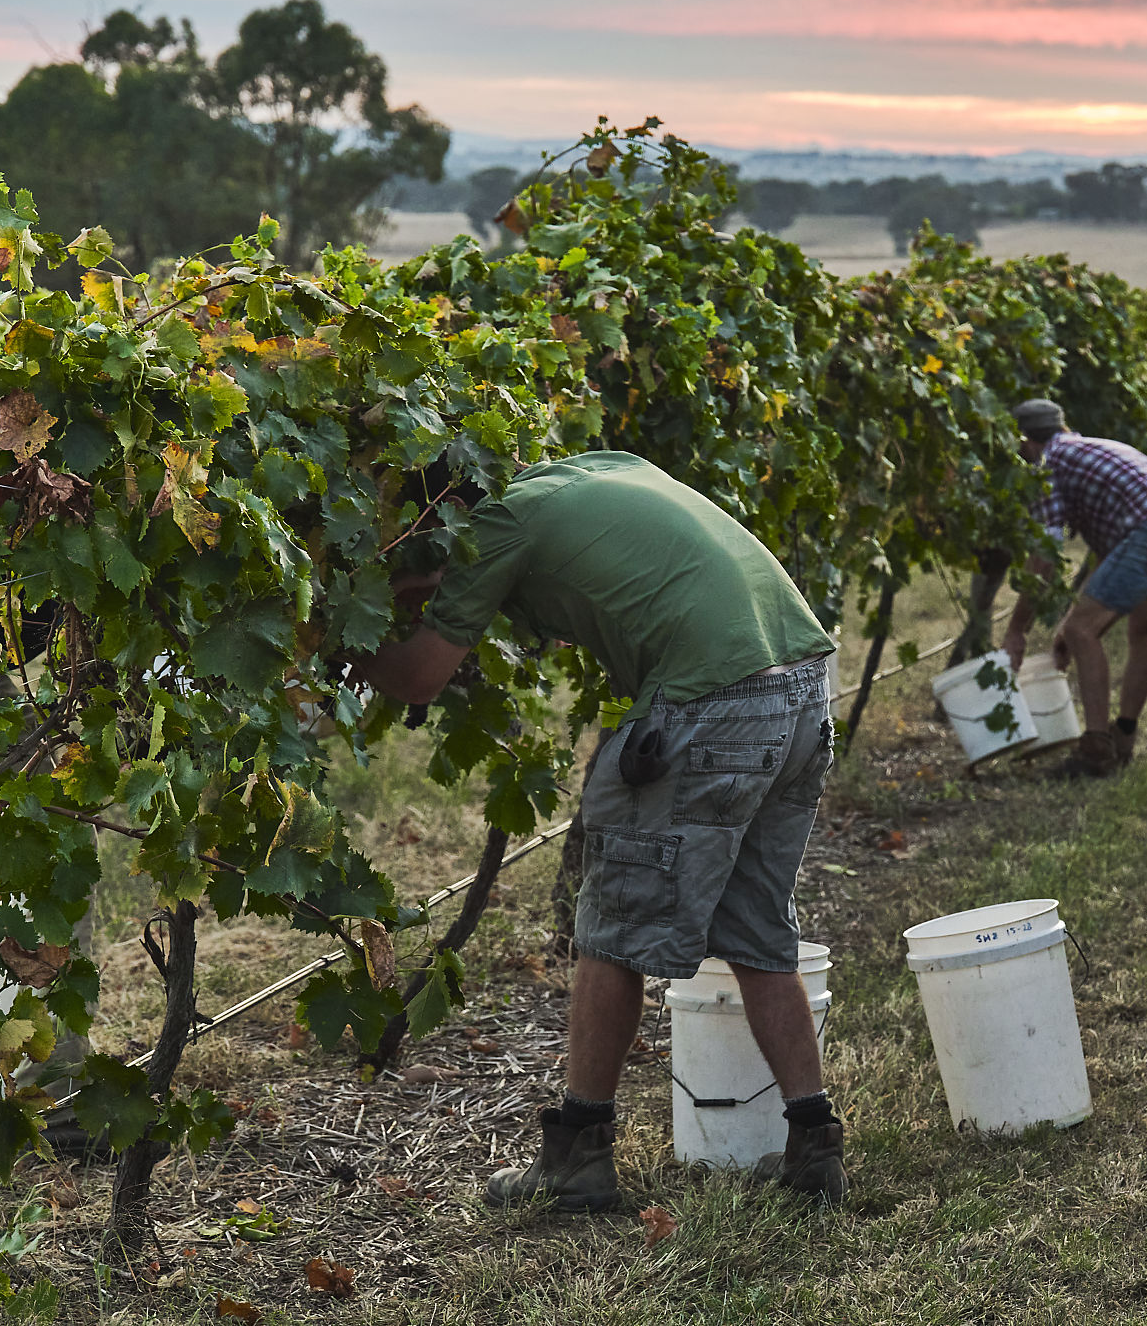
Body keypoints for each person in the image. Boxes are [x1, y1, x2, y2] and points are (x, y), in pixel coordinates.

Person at [355, 450, 846, 1209]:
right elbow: (592, 587)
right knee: (755, 926)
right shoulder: (602, 468)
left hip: (709, 700)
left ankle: (578, 1159)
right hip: (803, 686)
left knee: (610, 924)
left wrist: (340, 643)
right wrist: (442, 585)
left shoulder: (499, 523)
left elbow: (420, 674)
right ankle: (816, 1148)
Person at [1001, 399, 1147, 778]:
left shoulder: (1047, 465)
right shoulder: (1088, 448)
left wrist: (1018, 629)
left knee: (1084, 632)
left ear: (1025, 442)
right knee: (1142, 630)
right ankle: (1124, 737)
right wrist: (1072, 620)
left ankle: (1096, 750)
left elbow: (1044, 558)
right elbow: (1109, 556)